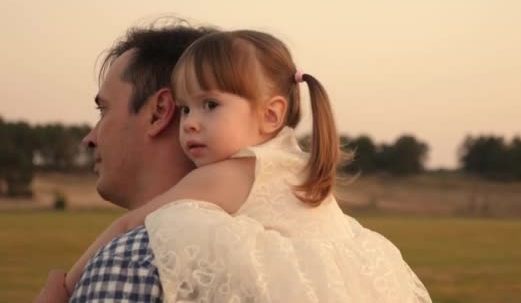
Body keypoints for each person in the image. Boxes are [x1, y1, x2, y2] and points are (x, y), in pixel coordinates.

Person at [63, 30, 432, 302]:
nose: (189, 122)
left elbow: (130, 223)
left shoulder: (227, 175)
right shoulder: (295, 162)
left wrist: (62, 289)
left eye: (210, 105)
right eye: (186, 107)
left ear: (271, 113)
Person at [34, 21, 219, 302]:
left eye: (103, 110)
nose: (90, 138)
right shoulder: (264, 244)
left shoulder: (131, 262)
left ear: (158, 113)